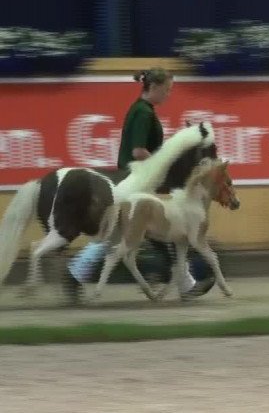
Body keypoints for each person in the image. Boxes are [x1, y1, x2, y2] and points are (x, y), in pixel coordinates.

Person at [64, 67, 214, 302]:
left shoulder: (142, 109)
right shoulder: (144, 113)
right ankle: (75, 273)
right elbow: (139, 151)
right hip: (135, 181)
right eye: (166, 90)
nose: (168, 95)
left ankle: (184, 284)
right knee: (122, 234)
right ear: (153, 87)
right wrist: (167, 158)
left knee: (153, 232)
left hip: (135, 179)